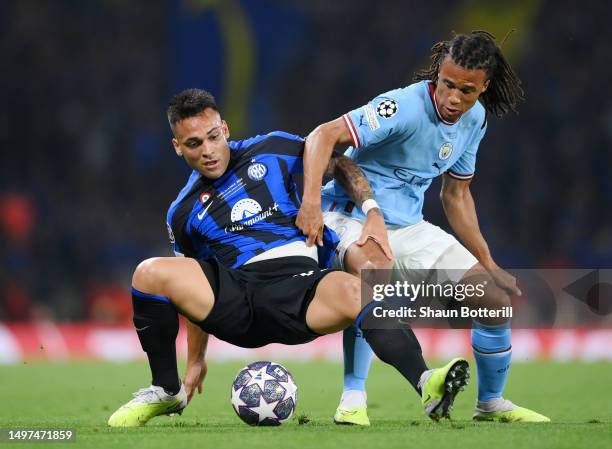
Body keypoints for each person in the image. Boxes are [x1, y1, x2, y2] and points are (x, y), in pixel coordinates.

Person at [107, 89, 468, 427]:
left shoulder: (272, 148)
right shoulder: (182, 212)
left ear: (225, 129)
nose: (208, 150)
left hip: (301, 287)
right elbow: (193, 285)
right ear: (177, 147)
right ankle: (167, 391)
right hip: (238, 298)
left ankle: (426, 383)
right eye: (194, 143)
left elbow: (339, 163)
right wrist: (197, 359)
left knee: (360, 290)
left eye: (214, 136)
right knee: (149, 273)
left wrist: (368, 208)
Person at [297, 31, 550, 424]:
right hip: (351, 213)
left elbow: (456, 195)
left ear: (484, 87)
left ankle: (490, 404)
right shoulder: (402, 106)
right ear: (437, 74)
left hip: (409, 225)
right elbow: (323, 135)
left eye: (466, 90)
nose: (453, 98)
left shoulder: (475, 121)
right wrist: (310, 202)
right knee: (372, 276)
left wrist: (488, 261)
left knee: (493, 299)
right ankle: (352, 397)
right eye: (447, 84)